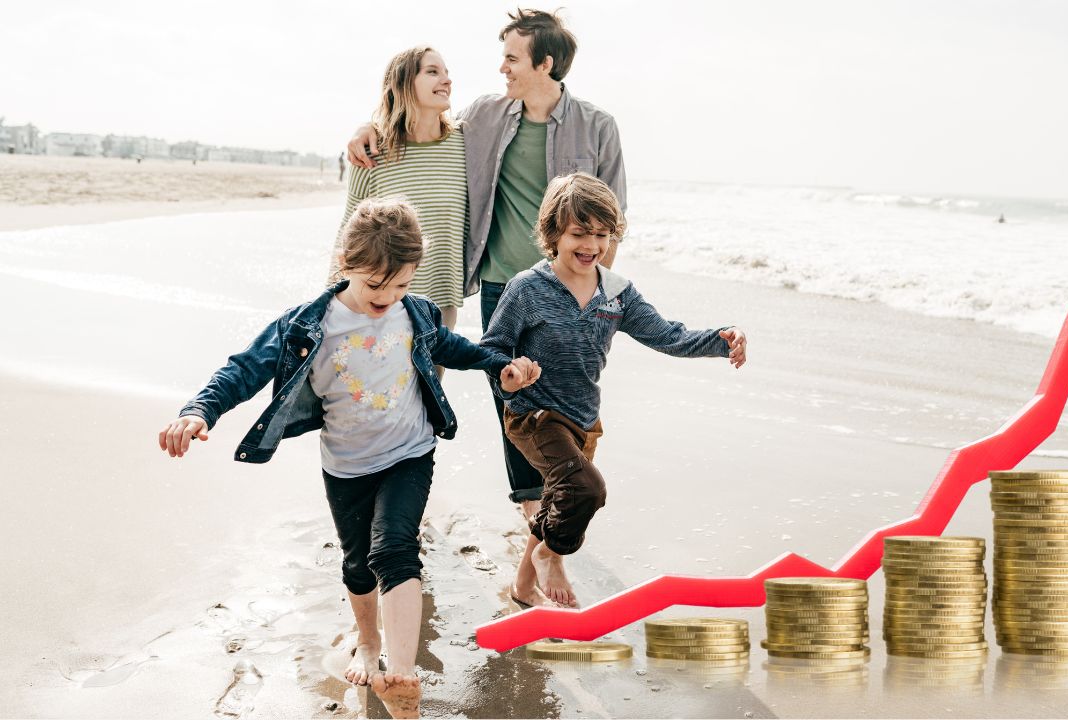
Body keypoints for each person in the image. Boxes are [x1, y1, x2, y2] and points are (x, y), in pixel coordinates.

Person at [158, 198, 540, 718]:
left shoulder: (416, 312)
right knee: (359, 563)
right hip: (346, 464)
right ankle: (367, 641)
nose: (388, 297)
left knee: (395, 549)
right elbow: (244, 369)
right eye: (375, 286)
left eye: (401, 285)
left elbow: (456, 348)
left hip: (410, 452)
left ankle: (401, 670)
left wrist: (501, 367)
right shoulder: (308, 324)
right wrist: (200, 410)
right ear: (347, 266)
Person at [348, 10, 627, 536]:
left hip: (567, 286)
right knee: (512, 393)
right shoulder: (486, 117)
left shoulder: (598, 127)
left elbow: (616, 219)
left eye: (512, 58)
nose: (501, 69)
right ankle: (532, 511)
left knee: (568, 398)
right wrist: (367, 127)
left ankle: (562, 504)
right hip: (500, 283)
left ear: (545, 63)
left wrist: (593, 295)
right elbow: (417, 126)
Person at [481, 174, 747, 607]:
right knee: (587, 490)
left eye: (602, 234)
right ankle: (552, 553)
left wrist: (722, 340)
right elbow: (492, 349)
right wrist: (507, 376)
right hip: (532, 415)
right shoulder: (527, 288)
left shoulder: (617, 294)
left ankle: (522, 589)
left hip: (583, 419)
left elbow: (668, 336)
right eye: (578, 234)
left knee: (558, 500)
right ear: (553, 234)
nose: (591, 245)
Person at [331, 46, 468, 338]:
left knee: (430, 385)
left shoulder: (465, 144)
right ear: (403, 83)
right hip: (379, 301)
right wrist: (329, 301)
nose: (446, 80)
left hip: (440, 306)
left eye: (447, 73)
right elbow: (349, 229)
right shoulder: (373, 151)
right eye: (433, 72)